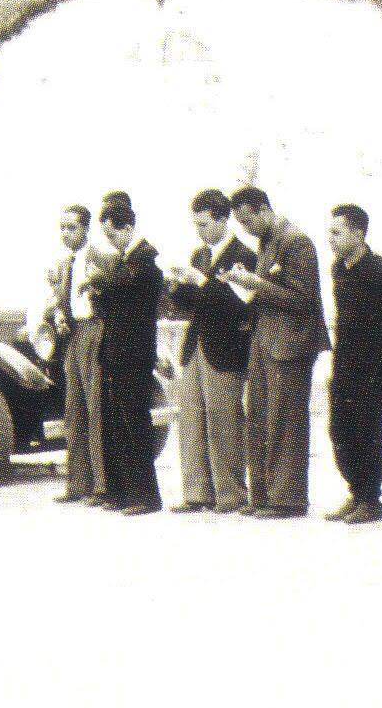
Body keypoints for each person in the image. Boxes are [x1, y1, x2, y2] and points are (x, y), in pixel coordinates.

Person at [223, 187, 330, 519]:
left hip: (290, 343)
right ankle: (263, 496)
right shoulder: (269, 240)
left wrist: (255, 284)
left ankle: (287, 499)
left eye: (246, 220)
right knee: (257, 415)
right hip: (267, 339)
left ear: (263, 209)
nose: (245, 228)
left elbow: (302, 298)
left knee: (285, 421)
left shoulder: (295, 242)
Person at [165, 189, 256, 514]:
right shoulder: (198, 256)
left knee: (224, 422)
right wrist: (178, 287)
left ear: (222, 219)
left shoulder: (244, 256)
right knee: (190, 419)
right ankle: (196, 493)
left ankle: (230, 494)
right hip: (195, 346)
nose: (199, 232)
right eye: (196, 225)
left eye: (204, 224)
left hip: (224, 348)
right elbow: (191, 306)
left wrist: (201, 283)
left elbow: (236, 306)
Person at [85, 197, 164, 515]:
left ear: (129, 227)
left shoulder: (145, 260)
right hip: (117, 350)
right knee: (116, 421)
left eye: (114, 235)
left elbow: (123, 288)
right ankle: (121, 491)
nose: (111, 243)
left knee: (133, 421)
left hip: (133, 352)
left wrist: (97, 282)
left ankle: (144, 495)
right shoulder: (125, 264)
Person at [325, 204, 382, 524]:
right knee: (340, 428)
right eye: (330, 232)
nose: (330, 238)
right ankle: (356, 491)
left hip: (374, 363)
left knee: (367, 427)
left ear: (358, 233)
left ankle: (372, 500)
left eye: (337, 232)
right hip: (345, 360)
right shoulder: (338, 268)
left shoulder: (381, 270)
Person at [43, 204, 113, 505]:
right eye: (62, 227)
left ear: (85, 229)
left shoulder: (98, 256)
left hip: (94, 330)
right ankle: (77, 481)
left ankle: (101, 484)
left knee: (95, 407)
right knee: (74, 408)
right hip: (72, 334)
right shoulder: (63, 263)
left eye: (72, 227)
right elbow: (63, 300)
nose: (66, 233)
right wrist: (59, 311)